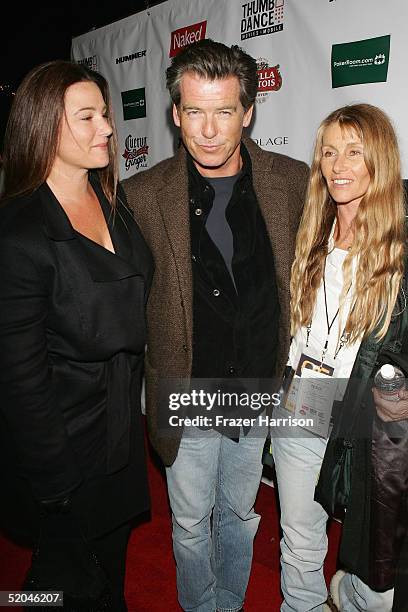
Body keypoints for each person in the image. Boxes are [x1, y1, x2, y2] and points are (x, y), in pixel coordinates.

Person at [122, 39, 309, 612]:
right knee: (188, 518)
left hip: (257, 385)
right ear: (175, 114)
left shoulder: (291, 181)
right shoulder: (143, 194)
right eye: (194, 112)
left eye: (224, 111)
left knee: (240, 509)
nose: (207, 130)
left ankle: (228, 600)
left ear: (248, 112)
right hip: (187, 387)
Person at [0, 60, 153, 611]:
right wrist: (56, 483)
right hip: (62, 451)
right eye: (86, 117)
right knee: (60, 587)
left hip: (117, 434)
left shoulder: (117, 205)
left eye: (106, 115)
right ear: (44, 126)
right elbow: (20, 376)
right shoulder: (20, 233)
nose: (107, 128)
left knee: (108, 573)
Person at [271, 103, 408, 612]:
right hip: (303, 398)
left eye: (354, 151)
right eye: (329, 152)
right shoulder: (310, 230)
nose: (338, 165)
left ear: (380, 159)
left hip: (365, 413)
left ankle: (346, 596)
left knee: (375, 573)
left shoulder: (399, 247)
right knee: (299, 543)